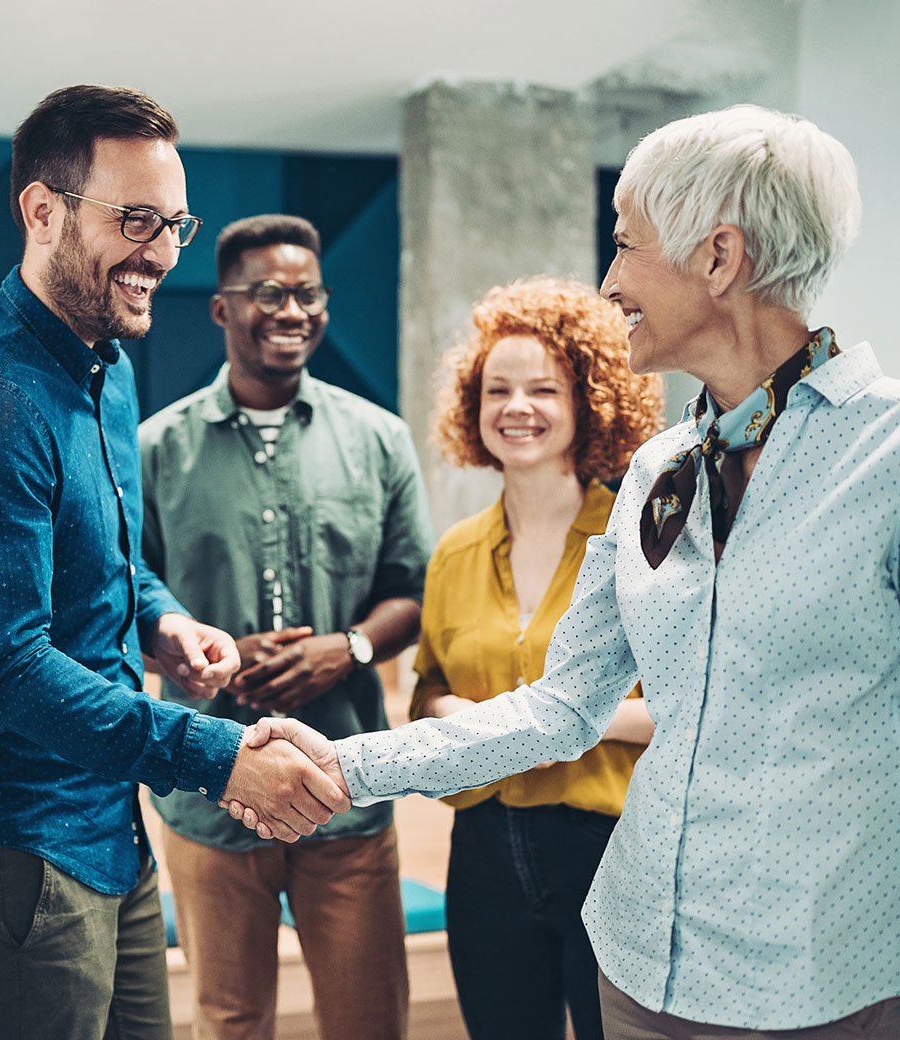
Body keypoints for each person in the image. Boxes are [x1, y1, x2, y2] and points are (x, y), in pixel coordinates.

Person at [236, 104, 900, 1039]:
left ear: (719, 257)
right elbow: (560, 706)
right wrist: (345, 765)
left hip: (827, 986)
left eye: (626, 246)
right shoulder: (657, 473)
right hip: (636, 966)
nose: (609, 280)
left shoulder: (888, 457)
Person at [0, 85, 349, 1040]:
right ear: (42, 210)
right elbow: (6, 669)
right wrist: (217, 756)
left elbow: (109, 565)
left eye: (174, 222)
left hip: (106, 817)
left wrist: (164, 620)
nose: (163, 253)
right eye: (135, 219)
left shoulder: (105, 366)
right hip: (14, 838)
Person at [139, 213, 431, 1039]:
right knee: (231, 1022)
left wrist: (351, 648)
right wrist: (202, 646)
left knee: (369, 1018)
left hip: (347, 782)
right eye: (269, 292)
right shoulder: (154, 449)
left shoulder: (380, 439)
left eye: (309, 293)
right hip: (208, 791)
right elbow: (125, 591)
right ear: (223, 308)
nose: (293, 310)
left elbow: (414, 587)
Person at [416, 275, 661, 1040]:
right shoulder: (454, 553)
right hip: (484, 847)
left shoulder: (644, 542)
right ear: (473, 406)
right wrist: (454, 715)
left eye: (543, 390)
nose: (516, 409)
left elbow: (686, 708)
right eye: (497, 390)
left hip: (607, 843)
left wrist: (560, 724)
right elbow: (429, 691)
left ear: (590, 399)